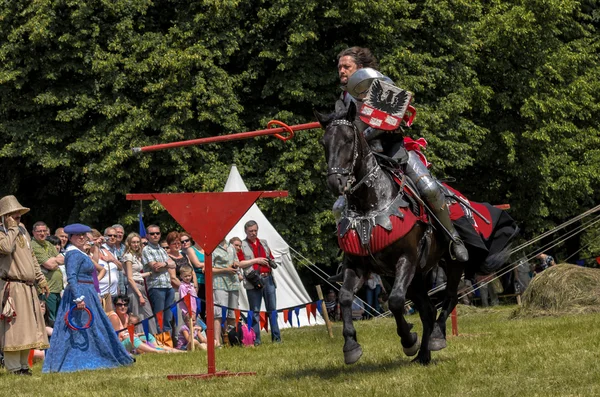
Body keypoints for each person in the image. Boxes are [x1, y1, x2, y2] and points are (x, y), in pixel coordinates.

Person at [335, 46, 468, 262]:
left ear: (359, 67)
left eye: (346, 66)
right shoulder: (344, 98)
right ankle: (349, 257)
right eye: (339, 67)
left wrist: (360, 138)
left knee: (430, 188)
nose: (341, 70)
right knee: (340, 206)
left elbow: (386, 122)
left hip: (393, 151)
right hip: (365, 159)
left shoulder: (382, 84)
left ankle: (453, 239)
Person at [42, 223, 133, 373]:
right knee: (78, 328)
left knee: (94, 327)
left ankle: (98, 354)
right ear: (71, 238)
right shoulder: (73, 253)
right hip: (80, 293)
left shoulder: (80, 252)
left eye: (84, 235)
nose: (82, 237)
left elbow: (97, 269)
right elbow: (71, 277)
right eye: (78, 235)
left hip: (88, 291)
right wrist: (78, 298)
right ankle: (81, 357)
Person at [0, 195, 50, 375]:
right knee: (14, 328)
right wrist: (12, 229)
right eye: (13, 216)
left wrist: (41, 278)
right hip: (11, 286)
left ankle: (23, 366)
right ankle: (13, 368)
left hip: (28, 286)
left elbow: (32, 257)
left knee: (28, 327)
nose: (17, 219)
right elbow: (6, 248)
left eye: (19, 216)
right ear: (5, 216)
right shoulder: (2, 233)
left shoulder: (23, 231)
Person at [237, 220, 281, 345]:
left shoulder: (264, 243)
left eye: (255, 230)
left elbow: (270, 258)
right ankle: (256, 340)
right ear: (246, 231)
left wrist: (270, 261)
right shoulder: (242, 245)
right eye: (251, 231)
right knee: (255, 311)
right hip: (253, 281)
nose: (253, 233)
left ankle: (276, 338)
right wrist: (257, 260)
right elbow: (240, 263)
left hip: (268, 278)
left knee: (272, 310)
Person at [108, 295, 180, 354]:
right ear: (115, 306)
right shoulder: (114, 317)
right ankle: (156, 351)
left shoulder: (126, 316)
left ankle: (172, 350)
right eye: (120, 305)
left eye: (125, 304)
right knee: (132, 339)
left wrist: (137, 335)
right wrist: (129, 337)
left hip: (128, 341)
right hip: (118, 346)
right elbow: (115, 339)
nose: (123, 307)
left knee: (148, 336)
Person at [142, 224, 176, 334]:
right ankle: (161, 342)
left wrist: (164, 264)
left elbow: (174, 264)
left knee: (168, 317)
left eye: (157, 233)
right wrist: (167, 264)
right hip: (156, 286)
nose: (155, 235)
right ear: (147, 236)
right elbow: (155, 266)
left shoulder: (162, 249)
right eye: (152, 234)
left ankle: (169, 341)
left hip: (168, 286)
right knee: (159, 316)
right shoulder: (146, 250)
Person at [122, 232, 156, 335]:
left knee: (148, 314)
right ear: (129, 243)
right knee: (136, 316)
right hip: (134, 288)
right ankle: (138, 341)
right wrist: (140, 295)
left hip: (140, 285)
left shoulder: (136, 256)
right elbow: (130, 278)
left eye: (138, 242)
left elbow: (137, 274)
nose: (136, 244)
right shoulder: (128, 256)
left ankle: (153, 338)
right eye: (133, 242)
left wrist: (150, 273)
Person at [30, 221, 64, 321]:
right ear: (33, 232)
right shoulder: (33, 245)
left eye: (44, 231)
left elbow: (62, 259)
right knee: (50, 320)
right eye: (39, 231)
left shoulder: (49, 244)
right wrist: (54, 260)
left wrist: (54, 261)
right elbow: (50, 264)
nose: (42, 233)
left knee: (59, 319)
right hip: (46, 290)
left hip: (57, 289)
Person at [212, 239, 241, 346]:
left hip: (233, 283)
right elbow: (209, 268)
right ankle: (217, 342)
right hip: (219, 284)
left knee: (233, 314)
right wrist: (225, 270)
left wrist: (235, 264)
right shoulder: (212, 248)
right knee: (218, 314)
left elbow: (237, 261)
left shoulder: (231, 246)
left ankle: (233, 340)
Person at [181, 232, 206, 320]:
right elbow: (197, 264)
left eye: (186, 240)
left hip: (208, 279)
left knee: (207, 305)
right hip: (198, 280)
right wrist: (207, 265)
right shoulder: (191, 249)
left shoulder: (207, 249)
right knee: (199, 305)